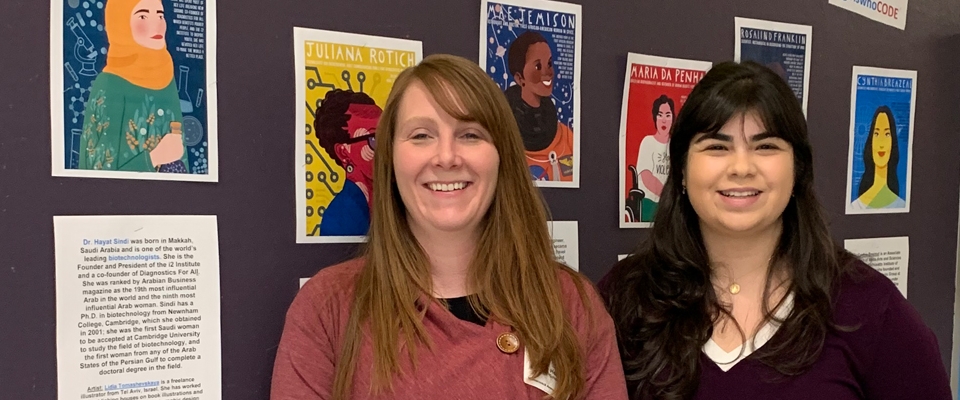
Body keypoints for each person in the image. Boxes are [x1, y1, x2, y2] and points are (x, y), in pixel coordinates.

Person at [272, 54, 627, 400]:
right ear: (390, 159)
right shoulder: (327, 309)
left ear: (502, 156)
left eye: (470, 134)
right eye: (421, 135)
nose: (446, 156)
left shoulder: (571, 304)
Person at [600, 61, 950, 399]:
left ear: (797, 169)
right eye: (717, 147)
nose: (741, 167)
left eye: (765, 146)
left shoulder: (870, 308)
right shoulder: (624, 299)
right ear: (680, 170)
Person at [80, 0, 188, 173]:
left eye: (160, 15)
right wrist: (155, 157)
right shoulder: (109, 84)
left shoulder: (166, 75)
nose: (157, 25)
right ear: (120, 25)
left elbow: (181, 155)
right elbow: (95, 168)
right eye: (143, 16)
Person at [505, 31, 574, 182]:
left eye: (549, 64)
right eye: (538, 67)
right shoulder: (503, 139)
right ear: (519, 78)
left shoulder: (566, 137)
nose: (547, 73)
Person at [314, 89, 381, 236]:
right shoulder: (339, 218)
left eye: (388, 135)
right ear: (343, 152)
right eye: (375, 140)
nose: (387, 148)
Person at [851, 105, 906, 210]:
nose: (881, 144)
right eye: (876, 134)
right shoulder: (856, 206)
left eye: (887, 134)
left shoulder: (900, 205)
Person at [630, 95, 675, 222]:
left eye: (668, 115)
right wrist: (666, 195)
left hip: (672, 204)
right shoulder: (648, 142)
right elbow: (646, 175)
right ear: (655, 117)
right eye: (660, 115)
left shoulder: (675, 145)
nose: (664, 120)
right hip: (650, 201)